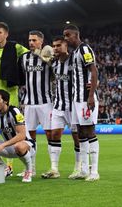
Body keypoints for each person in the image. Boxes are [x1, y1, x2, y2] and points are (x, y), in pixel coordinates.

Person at [0, 22, 29, 173]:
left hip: (10, 95)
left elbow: (31, 54)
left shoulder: (15, 47)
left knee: (12, 132)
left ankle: (12, 166)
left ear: (6, 34)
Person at [41, 36, 81, 179]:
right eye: (54, 46)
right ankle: (54, 169)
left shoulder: (75, 61)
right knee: (54, 136)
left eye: (59, 45)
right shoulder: (55, 64)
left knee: (77, 138)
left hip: (73, 107)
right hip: (58, 106)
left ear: (66, 46)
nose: (55, 48)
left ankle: (78, 167)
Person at [63, 24, 100, 181]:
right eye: (64, 35)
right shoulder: (74, 53)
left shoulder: (84, 49)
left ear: (76, 34)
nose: (66, 38)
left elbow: (93, 70)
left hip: (85, 98)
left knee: (90, 132)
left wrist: (90, 96)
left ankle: (94, 172)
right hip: (76, 100)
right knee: (81, 134)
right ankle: (84, 170)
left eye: (68, 35)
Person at [17, 30, 53, 177]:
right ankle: (31, 168)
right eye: (30, 40)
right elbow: (21, 79)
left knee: (50, 135)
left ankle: (53, 168)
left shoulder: (48, 55)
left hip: (46, 102)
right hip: (29, 103)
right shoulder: (24, 58)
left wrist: (45, 54)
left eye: (34, 40)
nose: (31, 42)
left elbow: (54, 71)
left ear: (41, 41)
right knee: (29, 137)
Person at [0, 89, 34, 183]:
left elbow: (22, 135)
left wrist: (2, 145)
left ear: (5, 101)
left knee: (19, 146)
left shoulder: (15, 111)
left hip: (26, 145)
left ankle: (28, 170)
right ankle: (4, 169)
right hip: (8, 146)